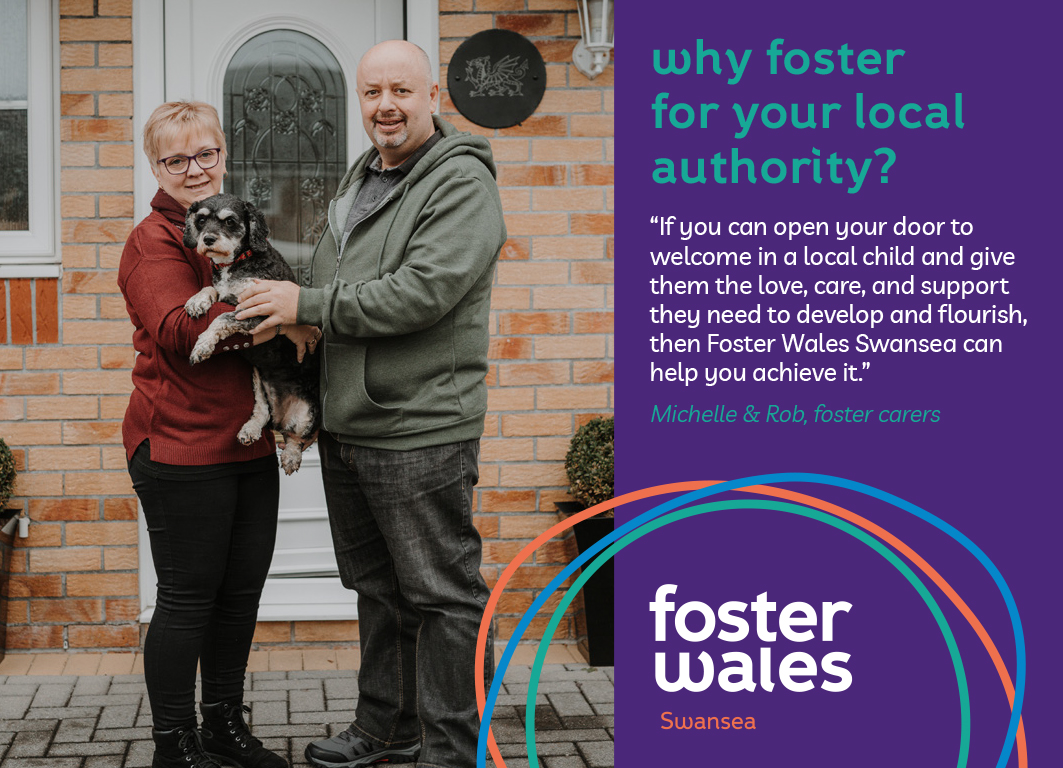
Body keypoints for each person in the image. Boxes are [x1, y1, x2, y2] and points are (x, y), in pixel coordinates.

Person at [235, 40, 507, 768]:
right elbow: (337, 268)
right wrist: (297, 311)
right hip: (352, 421)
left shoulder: (458, 183)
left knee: (441, 597)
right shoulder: (366, 173)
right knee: (377, 590)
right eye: (371, 92)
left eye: (400, 91)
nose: (385, 105)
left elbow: (424, 291)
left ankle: (454, 749)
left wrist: (310, 300)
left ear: (431, 98)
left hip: (418, 425)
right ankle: (387, 728)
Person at [119, 101, 320, 768]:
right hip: (178, 446)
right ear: (157, 167)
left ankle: (223, 727)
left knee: (238, 597)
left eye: (205, 154)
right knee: (186, 599)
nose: (194, 169)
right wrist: (278, 311)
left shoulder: (240, 231)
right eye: (177, 159)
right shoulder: (153, 240)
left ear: (223, 158)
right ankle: (173, 744)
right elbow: (180, 334)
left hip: (245, 443)